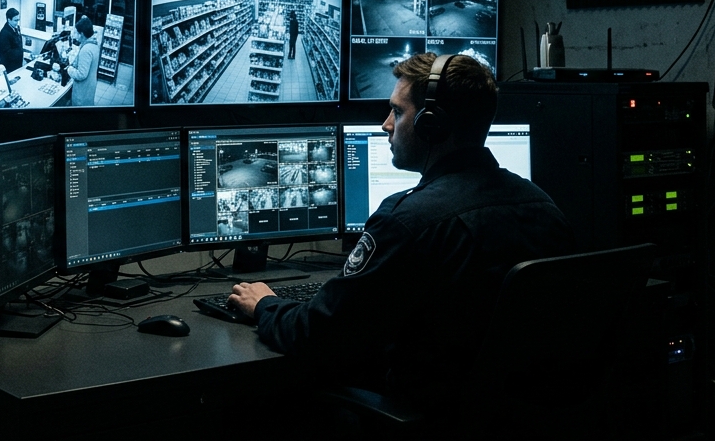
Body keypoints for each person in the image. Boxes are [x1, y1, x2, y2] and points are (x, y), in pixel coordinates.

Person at [228, 52, 573, 409]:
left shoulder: (407, 221)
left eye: (397, 111)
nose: (385, 124)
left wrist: (265, 304)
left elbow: (320, 335)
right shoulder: (544, 208)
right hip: (518, 417)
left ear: (431, 124)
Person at [64, 16, 99, 106]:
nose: (75, 36)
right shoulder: (94, 45)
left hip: (82, 91)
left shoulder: (86, 50)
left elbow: (81, 74)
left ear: (82, 34)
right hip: (90, 86)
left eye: (76, 33)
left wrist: (69, 70)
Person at [0, 8, 23, 73]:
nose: (17, 23)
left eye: (18, 20)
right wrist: (22, 53)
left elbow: (18, 44)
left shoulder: (17, 28)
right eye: (15, 20)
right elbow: (7, 53)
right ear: (9, 20)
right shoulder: (4, 33)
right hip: (9, 67)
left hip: (17, 64)